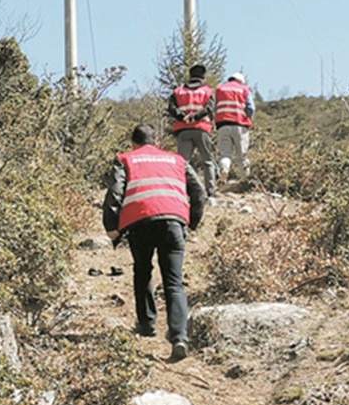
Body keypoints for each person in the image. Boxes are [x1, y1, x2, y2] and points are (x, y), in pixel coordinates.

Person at [102, 124, 206, 361]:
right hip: (174, 222)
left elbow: (115, 192)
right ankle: (179, 336)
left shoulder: (125, 159)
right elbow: (198, 192)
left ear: (133, 144)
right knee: (174, 282)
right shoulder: (177, 160)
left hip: (140, 222)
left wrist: (111, 228)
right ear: (156, 142)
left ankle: (147, 323)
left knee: (142, 271)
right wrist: (191, 222)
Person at [167, 63, 217, 196]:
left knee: (182, 163)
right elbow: (209, 108)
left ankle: (181, 190)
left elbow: (171, 108)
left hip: (183, 129)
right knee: (207, 161)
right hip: (201, 128)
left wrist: (182, 117)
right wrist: (195, 117)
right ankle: (210, 190)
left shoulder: (178, 91)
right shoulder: (207, 91)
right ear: (203, 76)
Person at [214, 71, 255, 185]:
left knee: (225, 154)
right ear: (241, 81)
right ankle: (245, 180)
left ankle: (224, 171)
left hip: (223, 125)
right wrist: (249, 119)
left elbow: (214, 106)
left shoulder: (220, 89)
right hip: (240, 126)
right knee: (242, 156)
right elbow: (251, 108)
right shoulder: (244, 89)